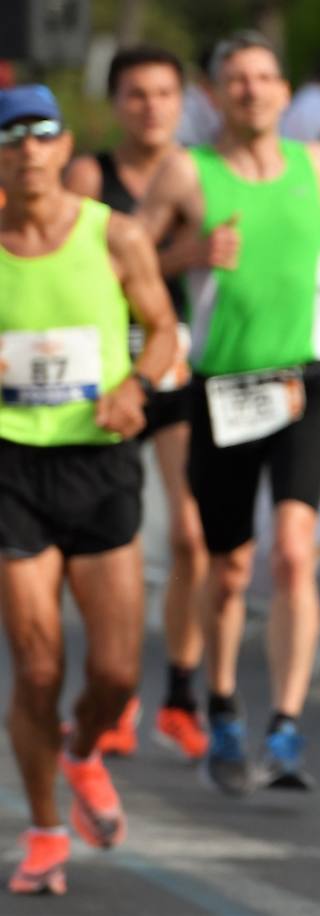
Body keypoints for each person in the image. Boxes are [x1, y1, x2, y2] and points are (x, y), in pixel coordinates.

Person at [137, 31, 320, 796]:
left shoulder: (316, 163)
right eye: (237, 81)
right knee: (227, 567)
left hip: (302, 381)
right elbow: (128, 260)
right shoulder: (184, 171)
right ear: (216, 93)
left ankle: (287, 724)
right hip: (221, 388)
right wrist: (188, 256)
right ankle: (222, 701)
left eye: (265, 78)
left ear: (285, 92)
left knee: (294, 552)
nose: (252, 91)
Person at [0, 84, 178, 894]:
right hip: (13, 465)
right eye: (12, 137)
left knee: (115, 674)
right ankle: (42, 833)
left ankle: (80, 752)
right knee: (36, 669)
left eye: (42, 134)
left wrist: (137, 386)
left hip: (99, 460)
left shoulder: (117, 234)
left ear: (65, 146)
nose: (28, 149)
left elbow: (164, 328)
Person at [65, 44, 210, 764]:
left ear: (182, 101)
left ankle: (180, 694)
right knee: (103, 540)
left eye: (163, 93)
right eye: (135, 95)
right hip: (99, 379)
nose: (150, 107)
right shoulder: (91, 176)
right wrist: (189, 254)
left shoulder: (196, 174)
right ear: (117, 103)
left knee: (189, 534)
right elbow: (88, 271)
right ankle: (111, 689)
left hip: (173, 366)